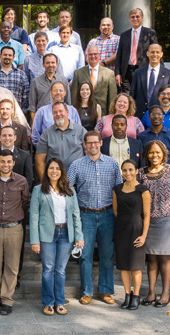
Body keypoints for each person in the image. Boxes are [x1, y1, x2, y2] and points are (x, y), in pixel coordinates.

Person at [67, 131, 122, 305]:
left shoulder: (112, 164)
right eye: (89, 143)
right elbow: (69, 190)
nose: (92, 146)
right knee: (85, 255)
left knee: (107, 254)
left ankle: (105, 291)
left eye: (95, 142)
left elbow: (119, 189)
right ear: (84, 144)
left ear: (100, 143)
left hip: (107, 215)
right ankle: (87, 291)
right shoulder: (76, 165)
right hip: (86, 215)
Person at [30, 158, 83, 316]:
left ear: (62, 171)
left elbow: (76, 215)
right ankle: (48, 302)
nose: (54, 171)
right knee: (48, 269)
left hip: (66, 234)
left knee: (60, 270)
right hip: (47, 234)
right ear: (46, 171)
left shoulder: (70, 190)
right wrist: (34, 240)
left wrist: (79, 236)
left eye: (57, 168)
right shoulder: (39, 190)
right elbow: (33, 217)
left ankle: (59, 302)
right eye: (51, 168)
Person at [0, 150, 30, 315]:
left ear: (13, 163)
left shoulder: (21, 181)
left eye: (9, 161)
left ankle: (7, 301)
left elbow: (25, 203)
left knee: (12, 267)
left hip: (14, 229)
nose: (6, 165)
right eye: (3, 161)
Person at [138, 140, 170, 307]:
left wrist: (166, 208)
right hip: (148, 221)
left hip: (168, 219)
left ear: (164, 153)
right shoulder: (141, 173)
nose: (154, 155)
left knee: (165, 258)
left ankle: (165, 293)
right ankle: (151, 293)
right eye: (151, 152)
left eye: (158, 152)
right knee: (151, 258)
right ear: (147, 155)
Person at [113, 159, 151, 311]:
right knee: (123, 266)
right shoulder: (116, 189)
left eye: (130, 170)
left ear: (136, 171)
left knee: (135, 266)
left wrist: (144, 235)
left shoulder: (143, 190)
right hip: (121, 229)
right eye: (124, 170)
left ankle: (136, 296)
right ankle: (127, 295)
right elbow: (116, 211)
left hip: (137, 228)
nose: (127, 173)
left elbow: (147, 215)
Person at [34, 102, 88, 179]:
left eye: (60, 111)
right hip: (55, 179)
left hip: (78, 178)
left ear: (67, 112)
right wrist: (45, 183)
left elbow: (89, 154)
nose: (58, 114)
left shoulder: (81, 131)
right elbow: (39, 161)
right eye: (55, 112)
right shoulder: (46, 134)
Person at [115, 8, 158, 92]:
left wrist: (159, 71)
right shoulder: (124, 35)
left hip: (143, 70)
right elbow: (119, 56)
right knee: (127, 97)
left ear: (142, 17)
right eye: (133, 17)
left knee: (141, 96)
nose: (135, 19)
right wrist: (117, 73)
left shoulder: (149, 33)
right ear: (129, 18)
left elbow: (156, 53)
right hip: (126, 71)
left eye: (137, 16)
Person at [130, 44, 170, 118]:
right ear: (147, 53)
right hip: (140, 117)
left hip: (160, 117)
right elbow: (132, 96)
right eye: (152, 52)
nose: (155, 54)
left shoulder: (169, 74)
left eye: (157, 52)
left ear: (161, 54)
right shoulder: (138, 73)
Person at [138, 105, 170, 175]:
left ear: (163, 117)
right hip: (149, 175)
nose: (156, 117)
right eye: (153, 114)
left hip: (169, 175)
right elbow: (141, 159)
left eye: (159, 114)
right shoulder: (142, 136)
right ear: (149, 117)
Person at [31, 81, 81, 147]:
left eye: (61, 90)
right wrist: (44, 150)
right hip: (49, 152)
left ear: (65, 93)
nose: (58, 93)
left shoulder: (73, 111)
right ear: (51, 93)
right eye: (55, 90)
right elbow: (35, 136)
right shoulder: (41, 111)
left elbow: (79, 132)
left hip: (71, 151)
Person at [71, 45, 117, 114]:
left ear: (99, 55)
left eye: (95, 54)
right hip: (83, 113)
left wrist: (110, 116)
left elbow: (112, 98)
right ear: (86, 56)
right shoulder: (78, 73)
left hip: (102, 113)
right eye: (90, 54)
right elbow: (74, 97)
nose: (93, 56)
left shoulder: (109, 74)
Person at [0, 46, 29, 111]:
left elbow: (26, 95)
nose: (7, 57)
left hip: (16, 113)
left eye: (10, 55)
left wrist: (24, 112)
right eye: (5, 55)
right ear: (0, 56)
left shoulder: (21, 74)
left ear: (13, 57)